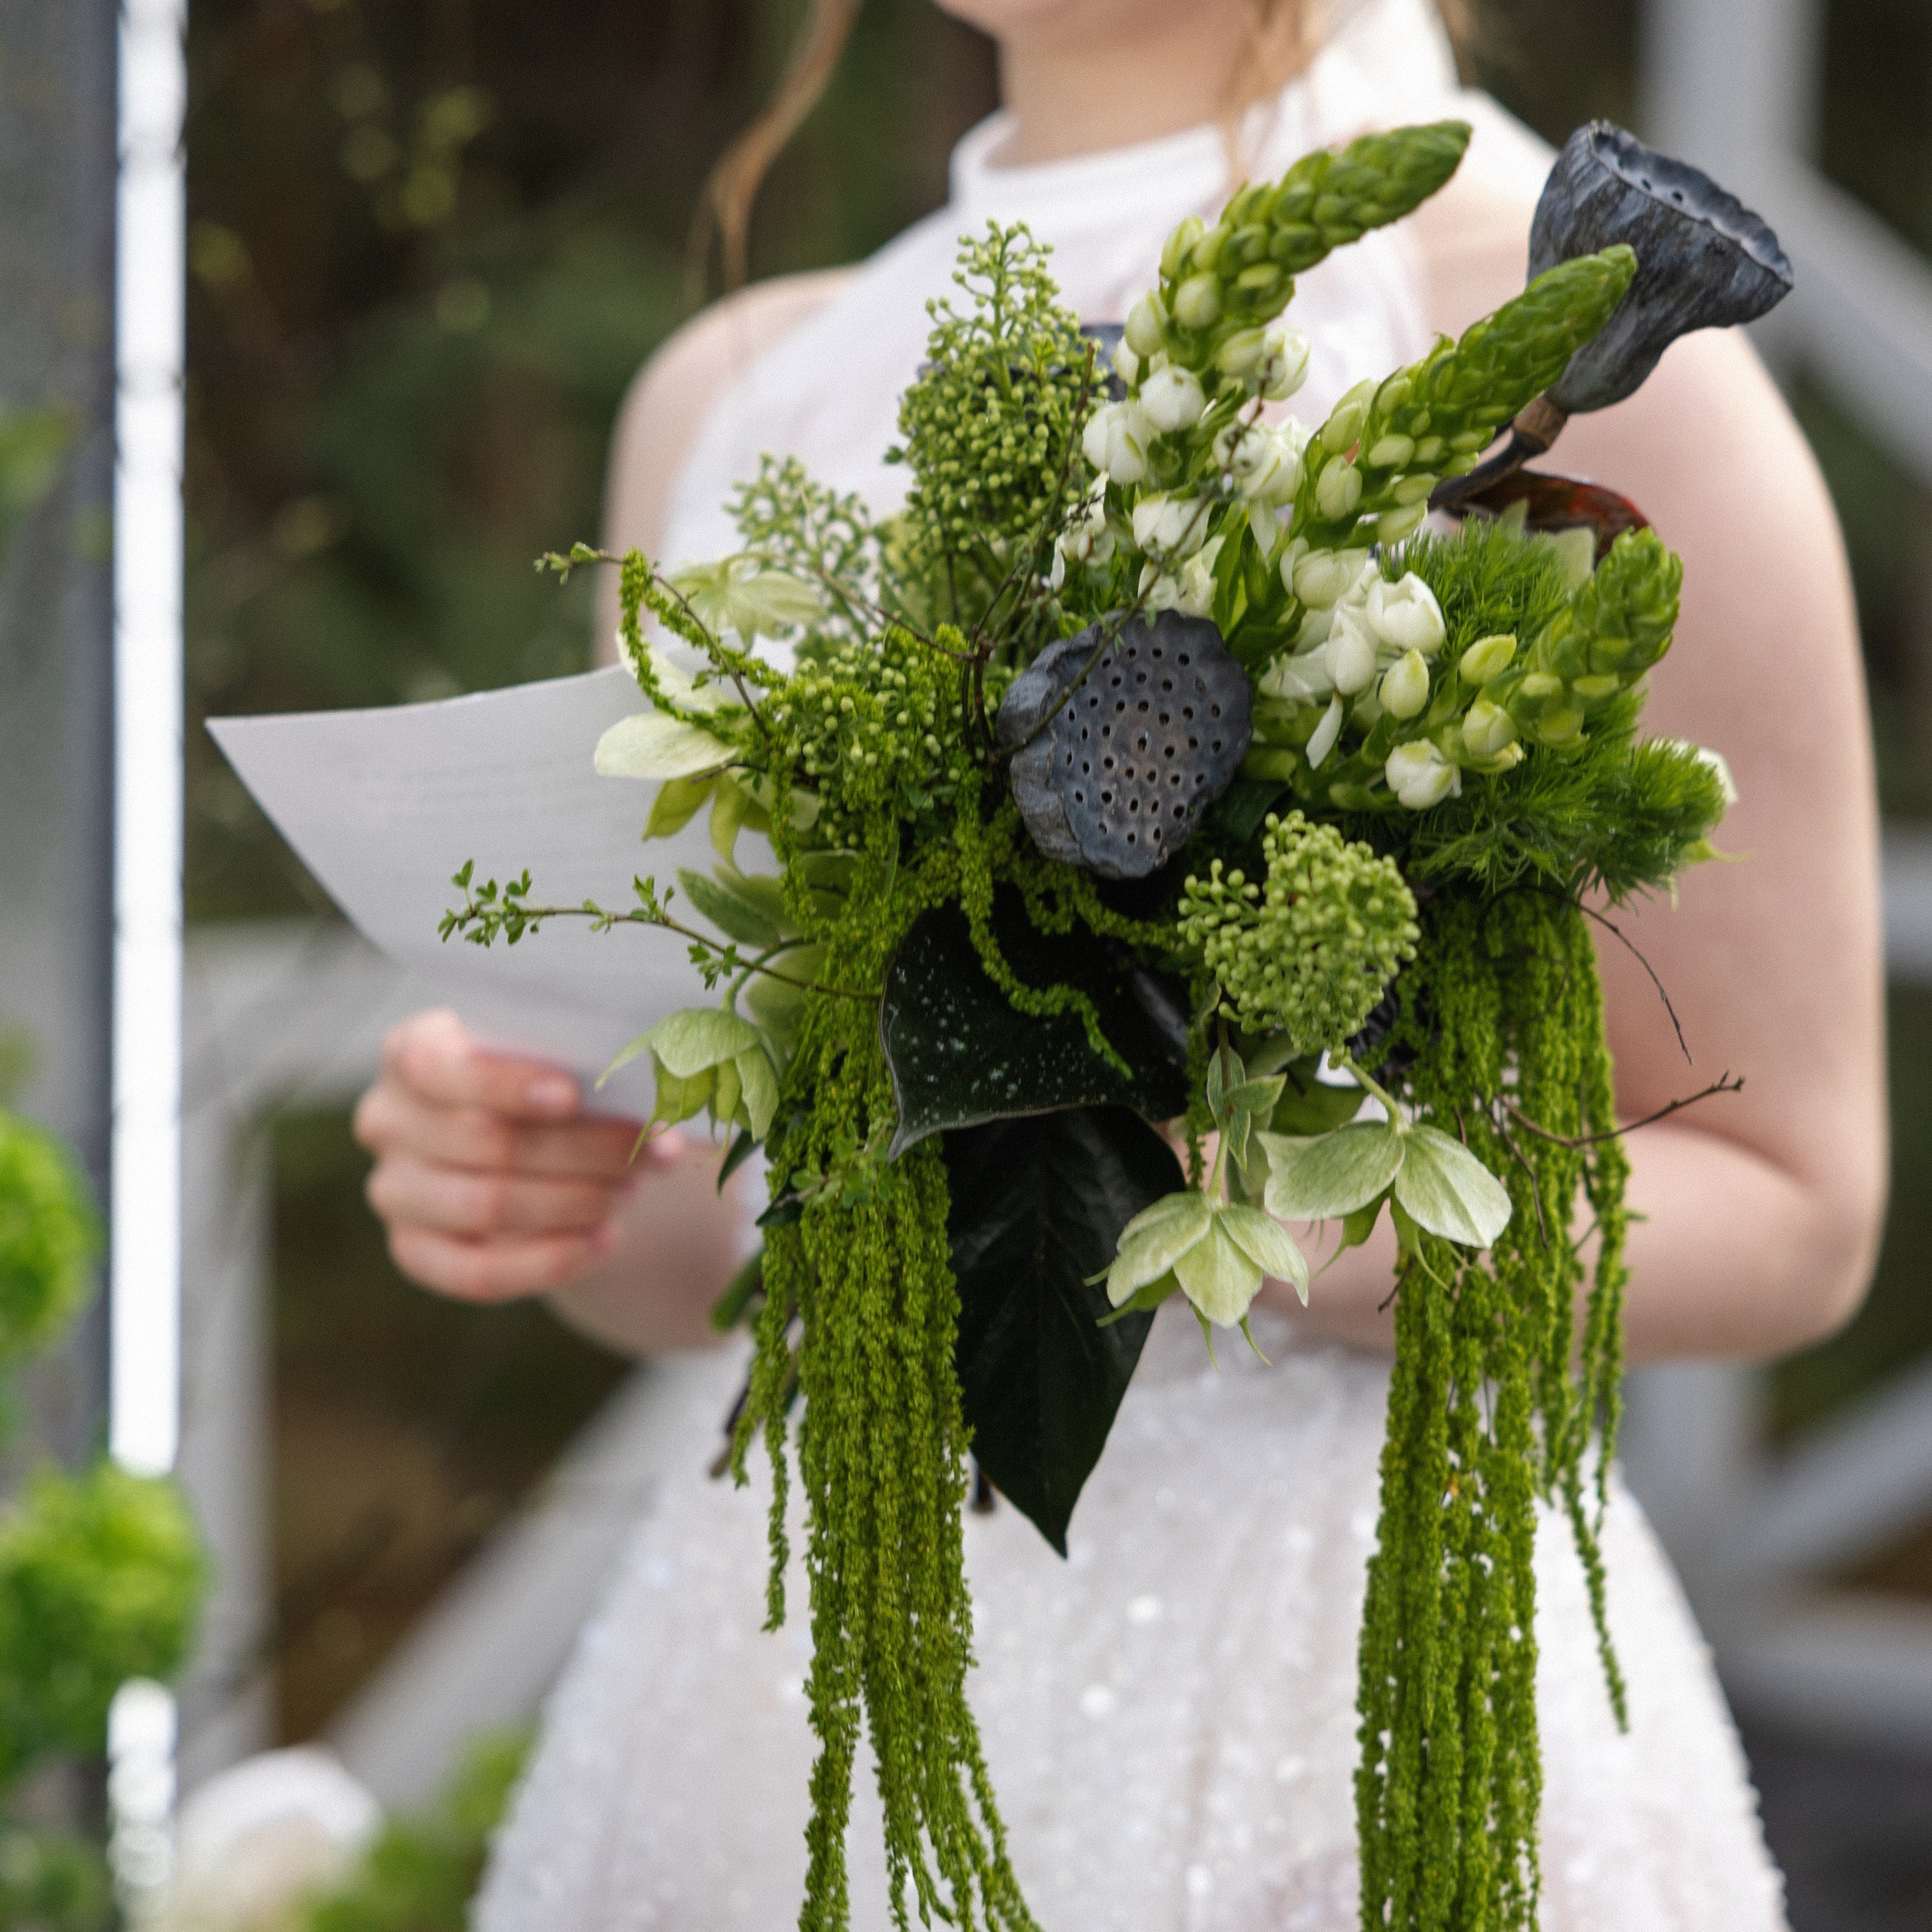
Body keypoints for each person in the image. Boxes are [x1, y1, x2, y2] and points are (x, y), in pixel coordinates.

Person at [352, 0, 1887, 1923]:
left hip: (1343, 1708)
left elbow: (1791, 1203)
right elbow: (719, 1251)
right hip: (803, 1691)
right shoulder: (738, 387)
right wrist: (543, 1161)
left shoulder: (1542, 322)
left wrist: (1258, 1196)